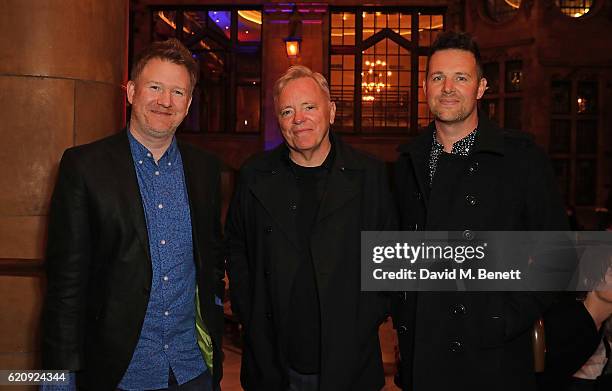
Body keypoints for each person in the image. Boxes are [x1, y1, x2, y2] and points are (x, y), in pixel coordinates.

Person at [41, 38, 225, 391]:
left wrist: (214, 309)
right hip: (117, 372)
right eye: (155, 87)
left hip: (192, 369)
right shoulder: (84, 167)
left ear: (188, 104)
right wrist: (58, 377)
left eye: (177, 92)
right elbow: (66, 284)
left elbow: (211, 256)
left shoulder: (205, 170)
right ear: (130, 92)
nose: (164, 101)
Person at [392, 31, 569, 391]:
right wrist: (404, 312)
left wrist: (505, 318)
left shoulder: (521, 160)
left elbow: (560, 253)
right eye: (437, 77)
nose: (448, 88)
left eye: (461, 77)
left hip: (493, 359)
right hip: (422, 357)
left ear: (481, 87)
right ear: (424, 86)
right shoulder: (405, 162)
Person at [225, 65, 395, 391]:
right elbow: (237, 245)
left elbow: (387, 254)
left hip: (350, 359)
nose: (298, 119)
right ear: (279, 120)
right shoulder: (254, 175)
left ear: (331, 111)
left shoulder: (369, 175)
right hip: (273, 360)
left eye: (309, 107)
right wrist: (251, 312)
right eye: (288, 111)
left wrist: (366, 319)